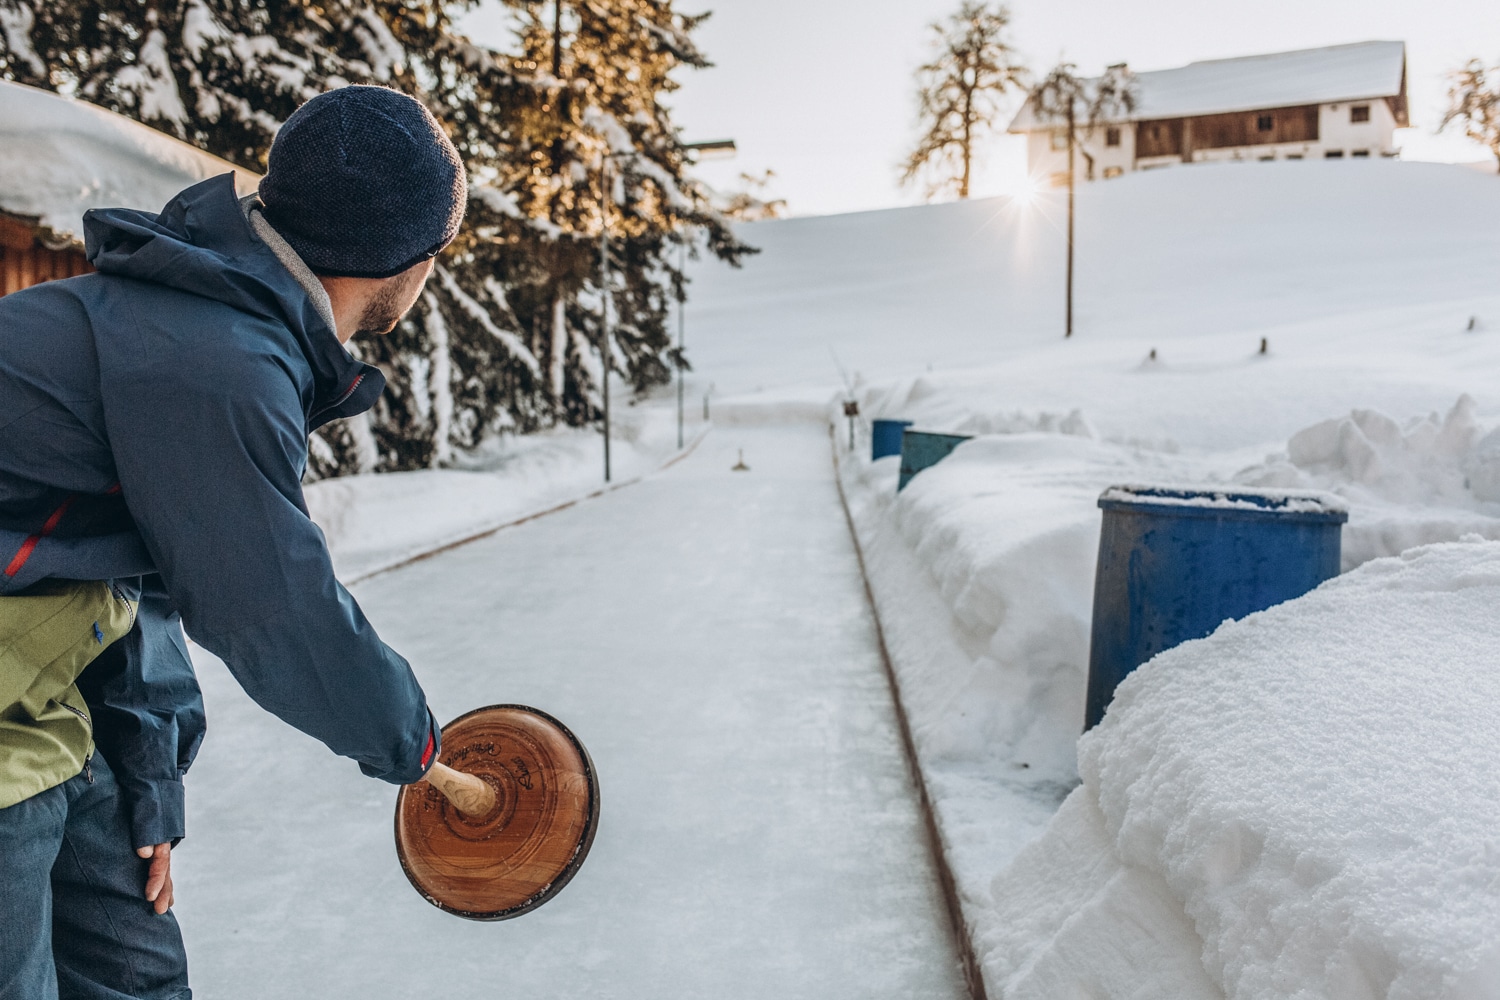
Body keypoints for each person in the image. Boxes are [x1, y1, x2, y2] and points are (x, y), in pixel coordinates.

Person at [0, 85, 467, 999]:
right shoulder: (219, 359)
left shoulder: (213, 320)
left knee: (134, 971)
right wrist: (409, 742)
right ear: (408, 260)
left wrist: (150, 778)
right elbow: (268, 603)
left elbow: (150, 581)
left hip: (48, 671)